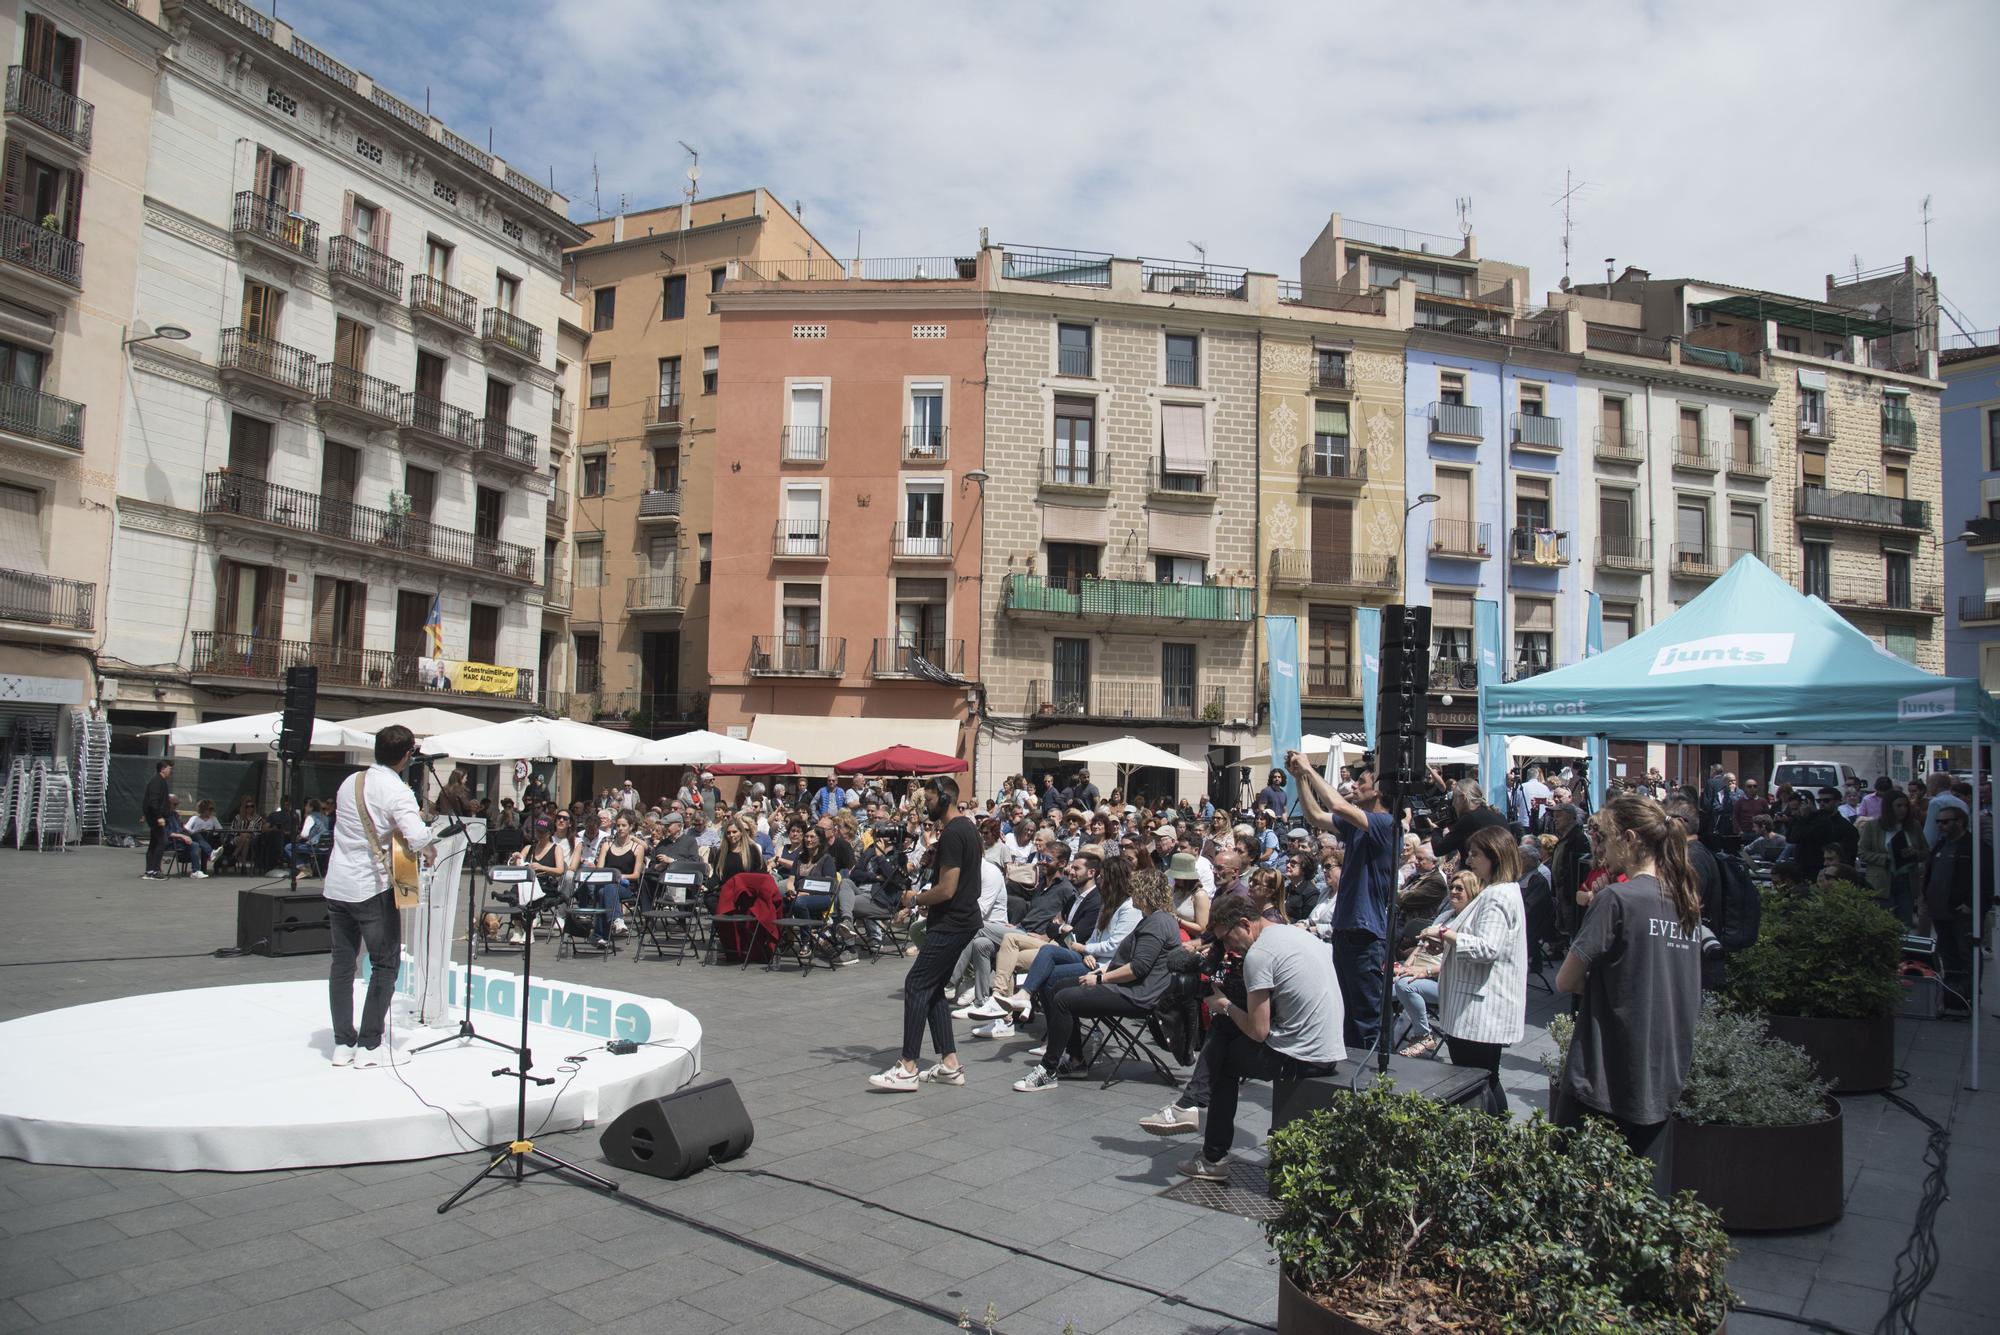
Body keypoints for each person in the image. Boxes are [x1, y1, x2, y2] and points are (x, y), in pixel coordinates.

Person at [1554, 794, 1702, 1192]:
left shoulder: (1616, 899)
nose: (1597, 846)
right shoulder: (1684, 899)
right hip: (1664, 1071)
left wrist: (1607, 982)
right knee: (1642, 1206)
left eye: (1602, 835)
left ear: (1630, 838)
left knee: (1573, 1197)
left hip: (1605, 1072)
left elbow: (1566, 980)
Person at [1177, 895, 1346, 1180]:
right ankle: (1191, 1104)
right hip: (1330, 1045)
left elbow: (1258, 1031)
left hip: (1301, 1055)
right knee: (1225, 1034)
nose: (1229, 948)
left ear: (1245, 923)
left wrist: (1224, 1005)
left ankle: (1212, 1155)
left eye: (1228, 940)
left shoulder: (1259, 955)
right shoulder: (1295, 933)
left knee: (1222, 1060)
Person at [323, 726, 438, 1067]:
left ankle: (343, 1043)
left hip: (337, 883)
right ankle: (370, 1045)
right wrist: (428, 840)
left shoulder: (351, 782)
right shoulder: (397, 791)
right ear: (406, 756)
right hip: (370, 887)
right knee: (385, 963)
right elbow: (417, 837)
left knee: (343, 964)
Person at [1012, 872, 1179, 1091]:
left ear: (1145, 893)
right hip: (1128, 986)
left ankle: (1048, 1069)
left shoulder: (1157, 922)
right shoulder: (1153, 919)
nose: (1131, 894)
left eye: (1135, 889)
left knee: (1063, 999)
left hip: (1138, 995)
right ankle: (1075, 1060)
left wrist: (1101, 979)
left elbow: (1138, 968)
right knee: (1058, 986)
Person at [869, 775, 981, 1092]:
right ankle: (949, 1064)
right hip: (960, 920)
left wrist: (914, 899)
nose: (925, 806)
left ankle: (907, 1066)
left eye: (929, 800)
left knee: (916, 984)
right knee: (931, 989)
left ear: (944, 798)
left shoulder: (955, 833)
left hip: (952, 922)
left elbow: (947, 890)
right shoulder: (963, 830)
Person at [1288, 750, 1396, 1051]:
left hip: (1366, 934)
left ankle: (1374, 1081)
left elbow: (1335, 803)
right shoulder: (1361, 825)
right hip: (1346, 930)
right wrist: (1300, 780)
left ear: (1378, 791)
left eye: (1361, 781)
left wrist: (1309, 770)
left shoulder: (1384, 824)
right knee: (1347, 1014)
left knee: (1366, 1019)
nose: (1355, 786)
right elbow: (1316, 816)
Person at [1421, 825, 1528, 1117]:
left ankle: (1491, 1134)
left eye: (1476, 855)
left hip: (1478, 1007)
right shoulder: (1498, 892)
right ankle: (1497, 1134)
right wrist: (1445, 943)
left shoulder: (1497, 896)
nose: (1469, 861)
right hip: (1476, 1002)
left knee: (1478, 1078)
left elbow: (1487, 948)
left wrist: (1444, 934)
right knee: (1486, 1077)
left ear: (1495, 856)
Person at [1924, 804, 1976, 1015]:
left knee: (1966, 955)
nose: (1940, 826)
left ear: (1960, 822)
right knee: (1947, 955)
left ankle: (1967, 995)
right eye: (1938, 822)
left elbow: (1985, 878)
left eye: (1945, 822)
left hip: (1960, 912)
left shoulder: (1972, 847)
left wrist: (1972, 904)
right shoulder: (1940, 844)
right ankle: (1952, 997)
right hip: (1940, 910)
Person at [1858, 793, 1927, 926]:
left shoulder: (1914, 826)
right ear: (1889, 808)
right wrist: (1887, 858)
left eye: (1906, 806)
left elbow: (1925, 851)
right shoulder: (1873, 826)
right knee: (1882, 922)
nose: (1903, 809)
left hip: (1906, 880)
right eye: (1898, 806)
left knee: (1904, 922)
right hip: (1881, 881)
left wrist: (1915, 853)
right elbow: (1862, 853)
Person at [141, 759, 174, 879]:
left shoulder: (161, 781)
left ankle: (150, 870)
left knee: (154, 843)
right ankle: (155, 870)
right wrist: (159, 817)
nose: (171, 771)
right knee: (162, 841)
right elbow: (153, 801)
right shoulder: (157, 782)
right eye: (170, 768)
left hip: (155, 816)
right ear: (163, 769)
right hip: (156, 817)